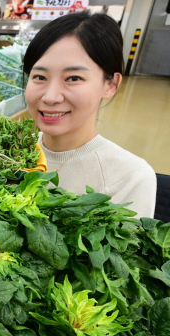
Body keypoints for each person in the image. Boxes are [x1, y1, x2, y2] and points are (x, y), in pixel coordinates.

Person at [23, 11, 156, 218]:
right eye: (40, 76)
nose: (50, 97)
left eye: (73, 78)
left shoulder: (131, 177)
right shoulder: (6, 155)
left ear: (110, 85)